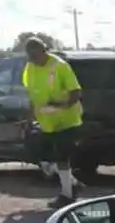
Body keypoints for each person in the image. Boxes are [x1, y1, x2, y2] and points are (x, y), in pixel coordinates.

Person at [20, 37, 84, 207]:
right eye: (31, 56)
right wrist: (29, 118)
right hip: (46, 123)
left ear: (45, 51)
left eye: (37, 55)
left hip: (67, 121)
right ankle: (73, 184)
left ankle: (67, 195)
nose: (35, 59)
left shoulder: (60, 66)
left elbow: (76, 92)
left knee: (61, 157)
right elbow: (32, 94)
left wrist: (60, 105)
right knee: (44, 160)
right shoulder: (30, 68)